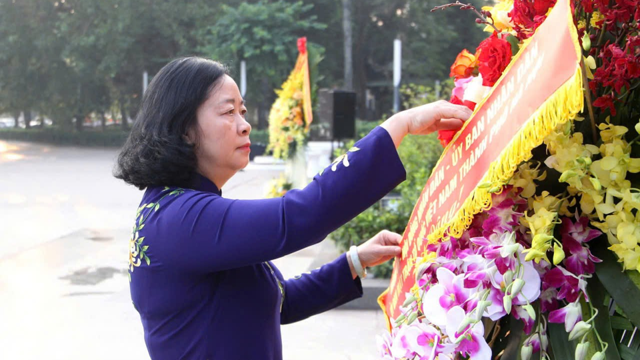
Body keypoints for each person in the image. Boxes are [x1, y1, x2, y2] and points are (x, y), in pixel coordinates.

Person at [114, 57, 471, 360]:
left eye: (243, 110)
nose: (244, 124)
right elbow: (299, 216)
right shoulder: (180, 219)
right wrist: (400, 125)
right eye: (228, 112)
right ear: (185, 131)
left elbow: (277, 301)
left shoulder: (176, 209)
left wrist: (355, 262)